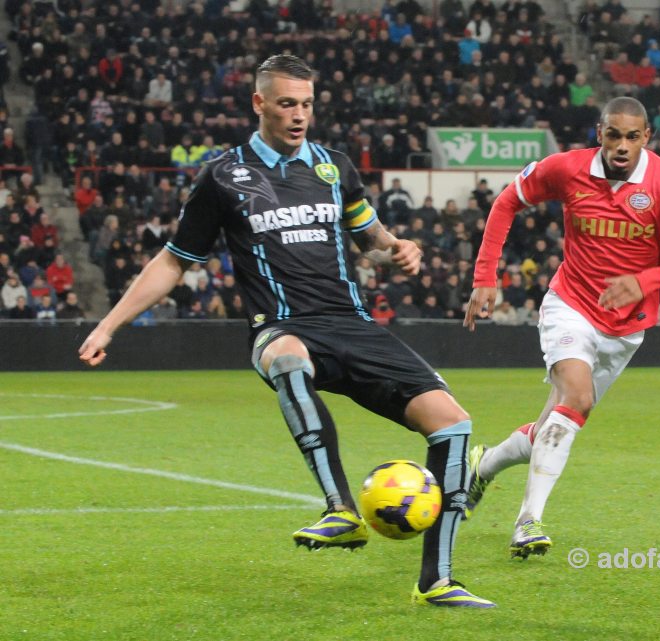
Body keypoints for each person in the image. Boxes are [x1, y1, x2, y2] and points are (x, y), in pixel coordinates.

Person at [78, 55, 494, 609]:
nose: (299, 115)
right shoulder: (223, 176)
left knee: (454, 425)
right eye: (287, 104)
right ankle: (340, 509)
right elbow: (175, 261)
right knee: (289, 359)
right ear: (259, 103)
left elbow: (369, 235)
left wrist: (398, 250)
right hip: (281, 327)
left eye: (307, 104)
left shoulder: (334, 167)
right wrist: (109, 324)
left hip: (353, 324)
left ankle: (436, 581)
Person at [462, 97, 660, 559]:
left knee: (553, 425)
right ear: (599, 133)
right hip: (570, 305)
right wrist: (485, 276)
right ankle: (527, 522)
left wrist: (644, 280)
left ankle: (482, 467)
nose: (621, 146)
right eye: (613, 135)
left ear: (646, 138)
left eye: (631, 137)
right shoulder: (566, 168)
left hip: (626, 328)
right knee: (575, 397)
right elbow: (506, 203)